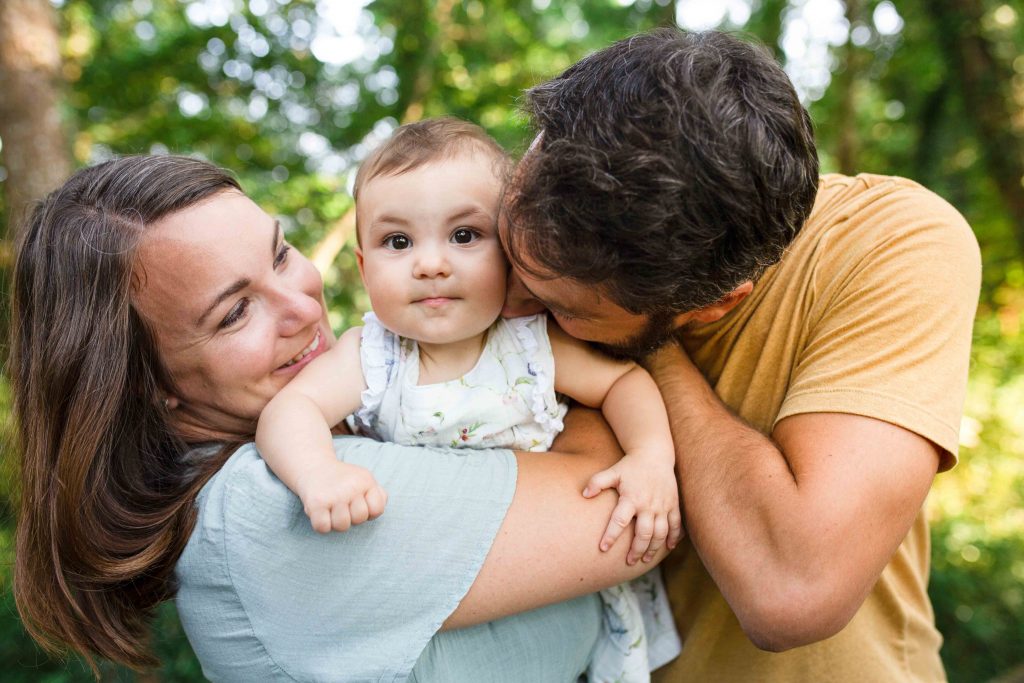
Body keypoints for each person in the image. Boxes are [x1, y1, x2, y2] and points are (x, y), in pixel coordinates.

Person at [10, 153, 672, 681]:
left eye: (279, 253)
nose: (302, 303)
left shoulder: (348, 419)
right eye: (235, 311)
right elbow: (626, 524)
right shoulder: (271, 504)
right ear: (148, 387)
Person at [501, 28, 981, 681]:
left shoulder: (890, 242)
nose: (510, 307)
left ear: (713, 305)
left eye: (563, 309)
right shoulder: (543, 218)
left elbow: (794, 587)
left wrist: (657, 359)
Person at [254, 117, 682, 681]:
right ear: (363, 268)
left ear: (511, 255)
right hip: (449, 604)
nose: (430, 264)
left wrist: (651, 457)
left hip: (561, 585)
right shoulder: (374, 356)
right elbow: (291, 410)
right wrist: (318, 475)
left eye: (463, 235)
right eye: (398, 242)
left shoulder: (530, 346)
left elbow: (623, 383)